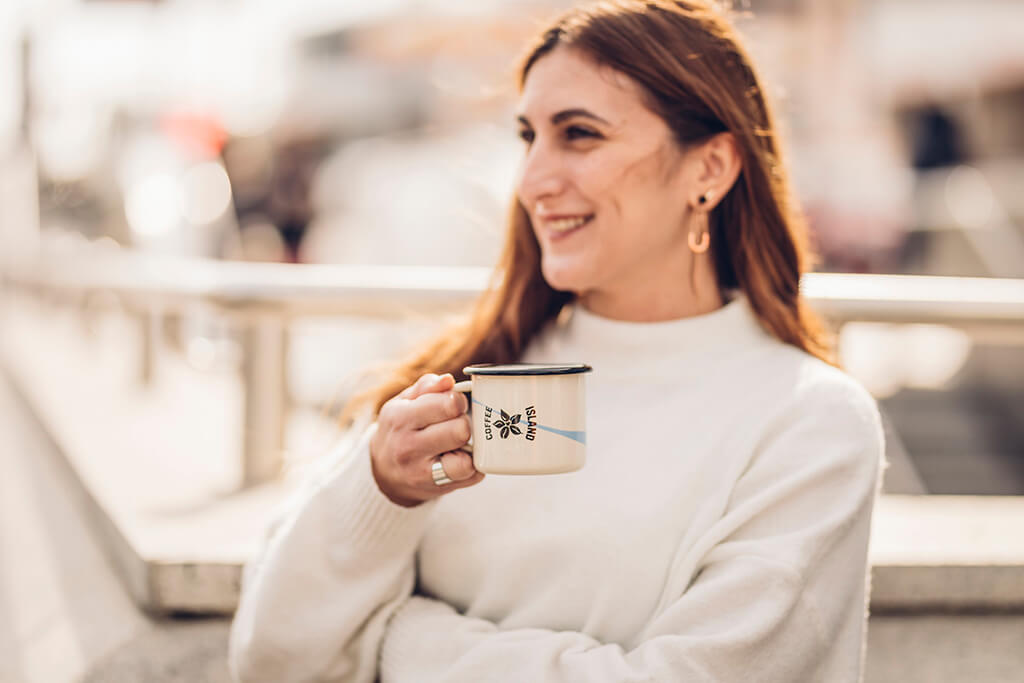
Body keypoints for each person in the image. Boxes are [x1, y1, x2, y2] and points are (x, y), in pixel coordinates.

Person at [228, 2, 885, 681]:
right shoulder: (466, 379)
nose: (533, 180)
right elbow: (268, 658)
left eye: (579, 134)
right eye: (528, 136)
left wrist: (396, 642)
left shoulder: (810, 422)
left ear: (710, 168)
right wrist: (380, 488)